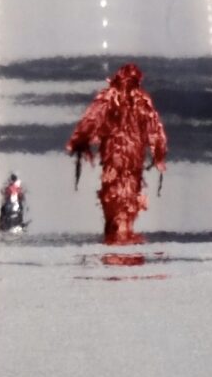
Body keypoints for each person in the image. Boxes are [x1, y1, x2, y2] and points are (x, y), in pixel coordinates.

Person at [67, 63, 167, 243]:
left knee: (114, 203)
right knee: (126, 204)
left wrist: (78, 142)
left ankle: (116, 240)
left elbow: (90, 121)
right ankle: (121, 239)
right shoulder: (142, 101)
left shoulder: (109, 97)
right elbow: (155, 132)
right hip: (130, 166)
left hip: (115, 165)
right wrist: (159, 156)